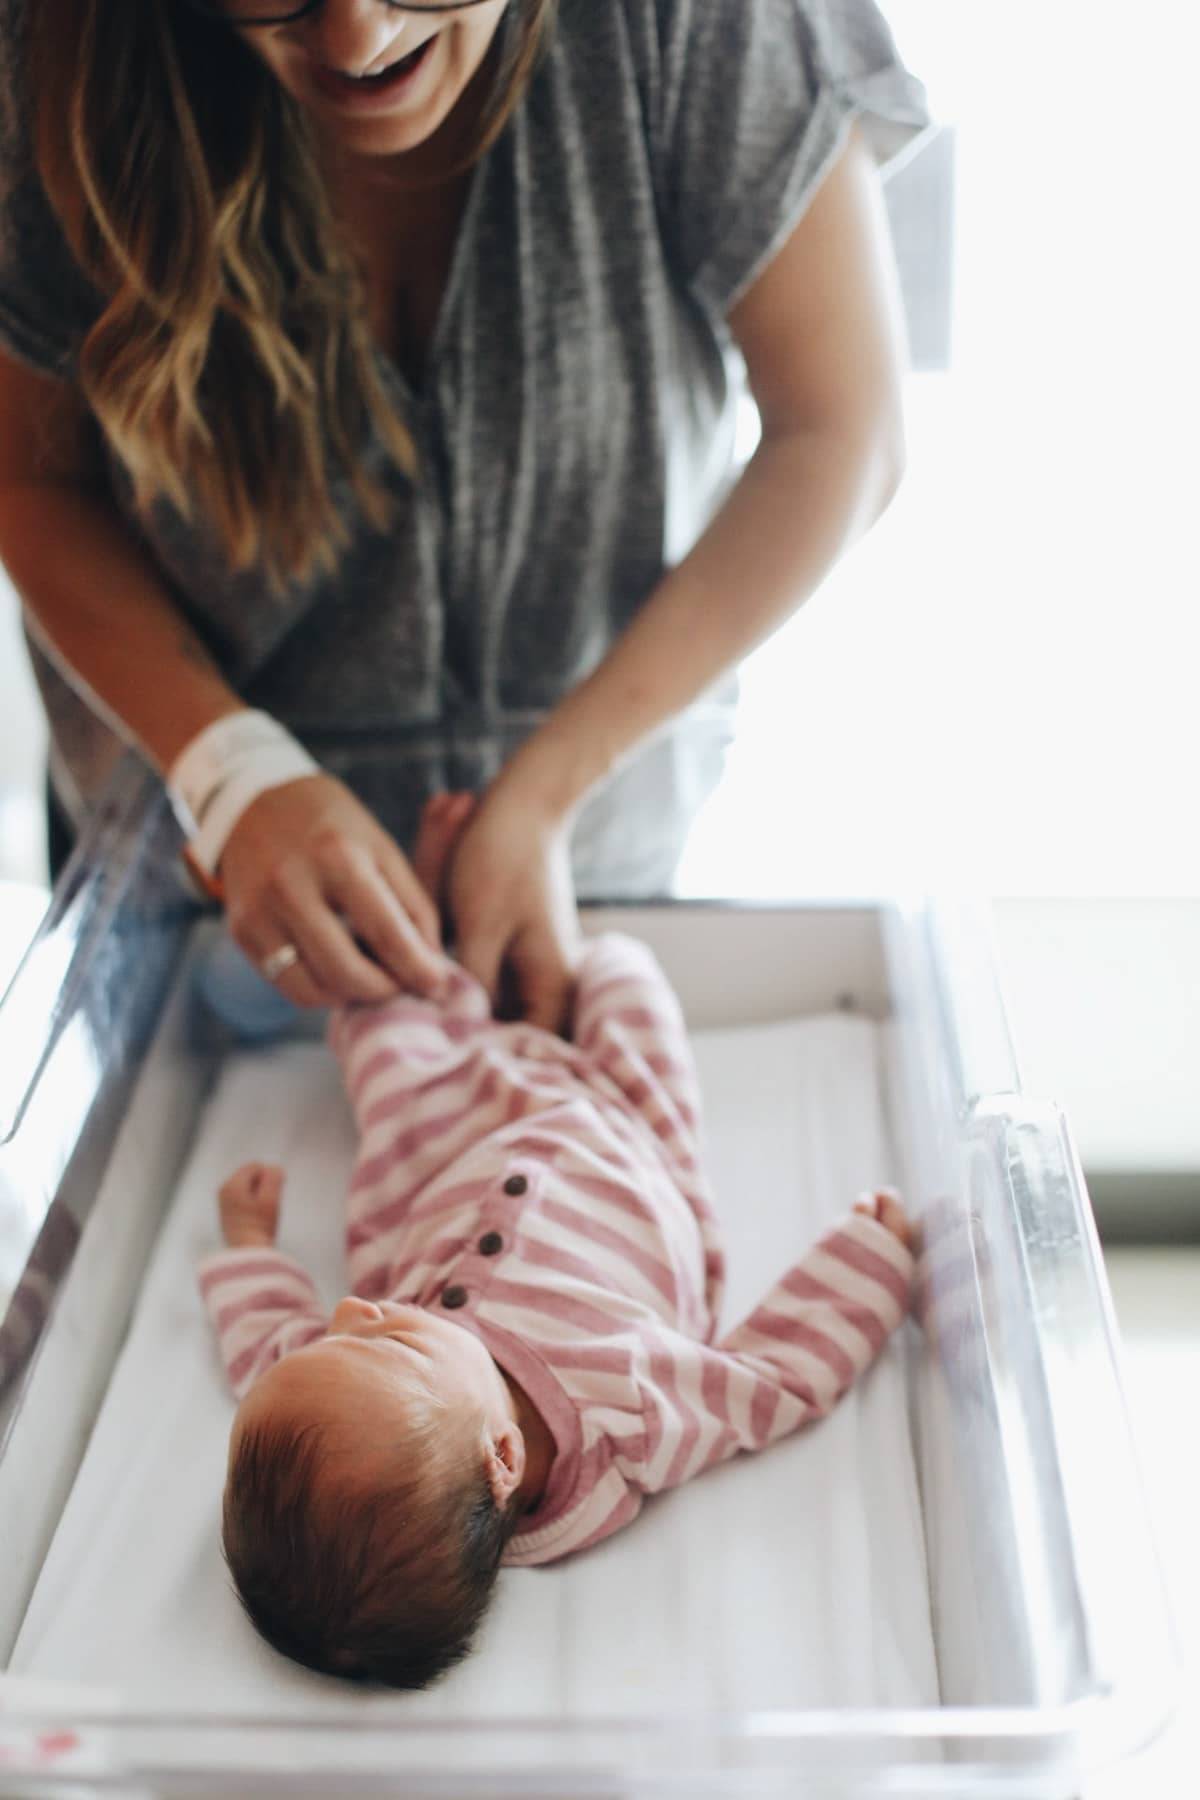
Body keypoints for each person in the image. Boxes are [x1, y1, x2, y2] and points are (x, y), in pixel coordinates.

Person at [0, 0, 929, 1032]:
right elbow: (31, 479)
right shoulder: (46, 45)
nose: (355, 39)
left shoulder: (707, 24)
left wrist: (545, 795)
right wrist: (229, 771)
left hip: (592, 867)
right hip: (196, 899)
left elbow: (843, 431)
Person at [200, 790, 917, 1688]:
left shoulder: (356, 1395)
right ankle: (490, 953)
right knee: (625, 977)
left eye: (339, 1332)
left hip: (447, 1150)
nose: (353, 1310)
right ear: (502, 1459)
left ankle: (421, 912)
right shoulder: (628, 1417)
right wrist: (866, 1266)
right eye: (385, 1341)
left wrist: (248, 1243)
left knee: (378, 1024)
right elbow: (771, 1380)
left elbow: (265, 1341)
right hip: (630, 1141)